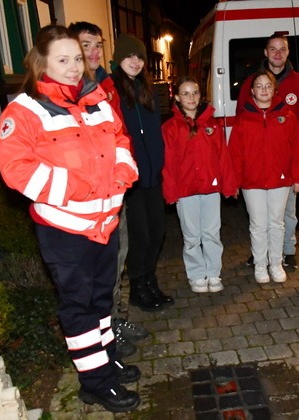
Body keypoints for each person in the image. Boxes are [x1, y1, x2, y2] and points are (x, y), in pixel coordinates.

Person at [0, 25, 141, 412]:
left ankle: (106, 362)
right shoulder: (24, 111)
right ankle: (95, 383)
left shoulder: (96, 100)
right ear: (42, 64)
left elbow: (121, 140)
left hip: (104, 224)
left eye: (77, 58)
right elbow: (16, 169)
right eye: (64, 60)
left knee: (100, 303)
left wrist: (124, 174)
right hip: (66, 231)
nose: (75, 67)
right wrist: (77, 188)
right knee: (79, 307)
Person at [68, 21, 149, 360]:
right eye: (86, 45)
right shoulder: (69, 91)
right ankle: (101, 337)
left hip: (114, 192)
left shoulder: (105, 85)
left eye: (98, 45)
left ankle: (114, 319)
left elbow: (118, 135)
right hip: (86, 199)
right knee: (95, 271)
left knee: (118, 258)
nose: (94, 51)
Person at [237, 33, 299, 270]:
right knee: (259, 219)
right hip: (258, 164)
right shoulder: (251, 82)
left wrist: (286, 150)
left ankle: (286, 252)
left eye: (282, 49)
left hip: (285, 160)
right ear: (265, 52)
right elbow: (243, 119)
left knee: (286, 213)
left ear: (288, 52)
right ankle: (261, 255)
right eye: (273, 49)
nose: (278, 53)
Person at [111, 33, 173, 312]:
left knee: (158, 231)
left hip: (152, 175)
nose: (135, 61)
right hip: (131, 179)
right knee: (141, 235)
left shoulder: (146, 89)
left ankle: (149, 279)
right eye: (129, 56)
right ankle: (137, 285)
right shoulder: (112, 91)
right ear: (117, 59)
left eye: (139, 57)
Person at [229, 70, 299, 283]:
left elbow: (297, 150)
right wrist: (233, 181)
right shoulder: (243, 119)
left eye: (268, 86)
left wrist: (298, 177)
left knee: (276, 223)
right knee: (257, 224)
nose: (264, 90)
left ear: (275, 90)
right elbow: (234, 152)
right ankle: (260, 264)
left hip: (279, 180)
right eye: (259, 86)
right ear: (252, 91)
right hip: (251, 181)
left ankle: (276, 262)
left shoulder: (288, 117)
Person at [162, 77, 237, 293]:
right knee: (192, 236)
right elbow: (167, 163)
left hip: (210, 187)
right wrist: (170, 191)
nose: (191, 97)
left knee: (212, 233)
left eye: (194, 92)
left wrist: (228, 185)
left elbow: (223, 156)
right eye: (185, 94)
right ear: (177, 97)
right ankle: (196, 274)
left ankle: (213, 272)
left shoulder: (211, 124)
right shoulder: (170, 127)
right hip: (185, 190)